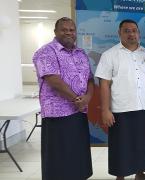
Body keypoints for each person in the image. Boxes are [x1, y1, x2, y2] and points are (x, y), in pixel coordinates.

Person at [33, 17, 93, 180]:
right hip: (57, 115)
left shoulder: (81, 53)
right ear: (55, 32)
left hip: (79, 113)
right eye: (64, 29)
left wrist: (87, 98)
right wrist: (77, 100)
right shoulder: (46, 52)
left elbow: (90, 79)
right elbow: (53, 80)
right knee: (58, 160)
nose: (68, 32)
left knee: (78, 156)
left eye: (71, 30)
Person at [95, 19, 145, 180]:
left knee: (142, 144)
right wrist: (106, 110)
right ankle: (120, 176)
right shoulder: (109, 55)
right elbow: (104, 84)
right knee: (120, 146)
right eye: (126, 31)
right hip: (120, 110)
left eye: (134, 30)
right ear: (119, 33)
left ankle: (140, 173)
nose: (131, 34)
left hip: (144, 108)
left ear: (139, 33)